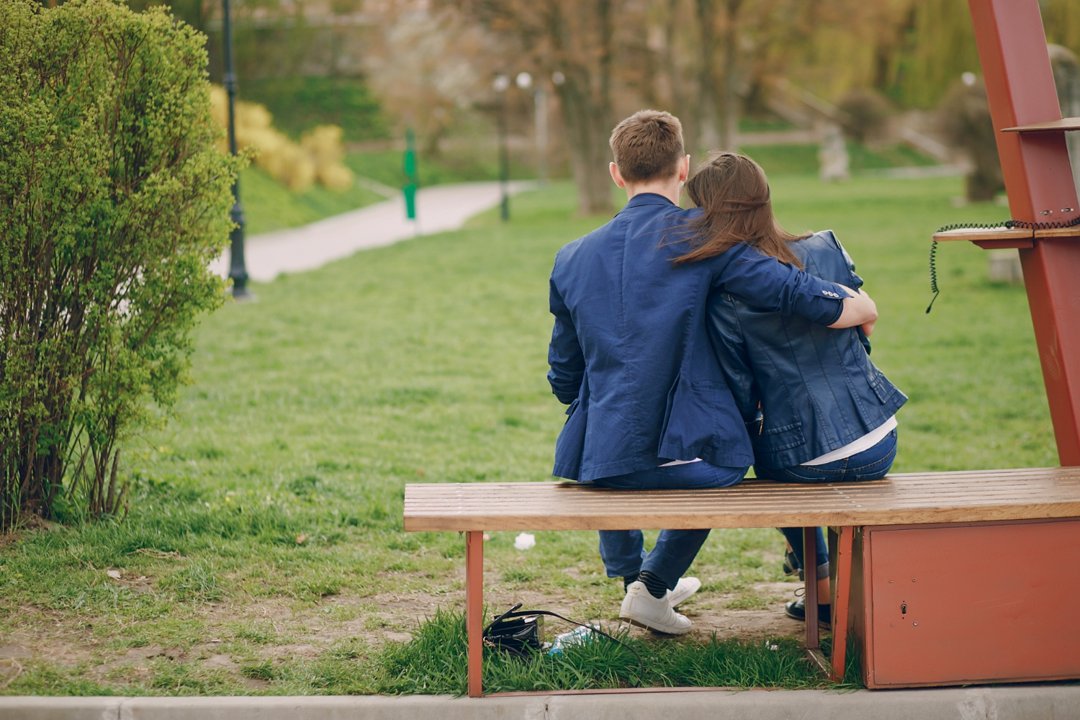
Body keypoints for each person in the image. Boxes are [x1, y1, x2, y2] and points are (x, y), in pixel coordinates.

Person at [547, 111, 879, 635]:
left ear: (616, 174)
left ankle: (639, 582)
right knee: (730, 459)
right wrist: (853, 304)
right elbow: (787, 289)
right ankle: (651, 585)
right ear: (682, 169)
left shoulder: (571, 257)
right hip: (695, 461)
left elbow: (564, 376)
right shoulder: (706, 239)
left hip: (600, 460)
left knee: (617, 436)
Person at [680, 151, 906, 624]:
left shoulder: (723, 291)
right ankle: (831, 582)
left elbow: (741, 389)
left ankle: (819, 584)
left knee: (764, 461)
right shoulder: (827, 246)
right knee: (792, 459)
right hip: (877, 438)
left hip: (798, 460)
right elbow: (864, 328)